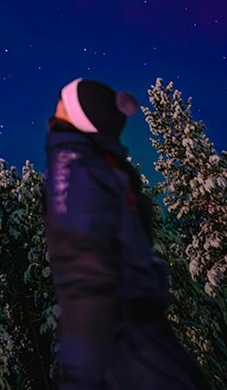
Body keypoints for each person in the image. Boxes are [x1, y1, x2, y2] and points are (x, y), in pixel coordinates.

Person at [45, 77, 210, 390]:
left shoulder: (73, 168)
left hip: (118, 340)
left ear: (76, 114)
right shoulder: (100, 166)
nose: (56, 106)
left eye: (63, 100)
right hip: (139, 332)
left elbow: (85, 269)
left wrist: (81, 369)